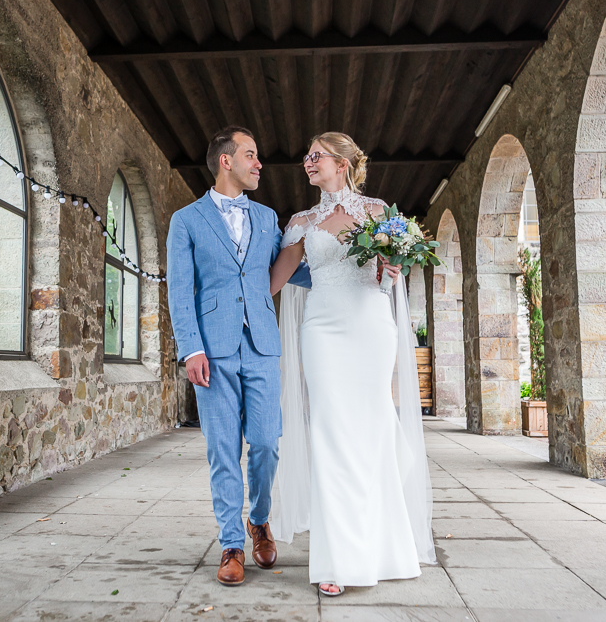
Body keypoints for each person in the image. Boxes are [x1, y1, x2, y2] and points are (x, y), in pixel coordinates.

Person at [268, 132, 435, 596]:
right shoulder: (301, 221)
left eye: (316, 155)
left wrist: (395, 269)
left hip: (370, 329)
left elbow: (390, 272)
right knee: (330, 432)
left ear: (342, 163)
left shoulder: (380, 213)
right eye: (307, 156)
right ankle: (336, 559)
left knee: (374, 429)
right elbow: (274, 282)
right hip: (322, 331)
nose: (307, 161)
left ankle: (384, 549)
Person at [166, 126, 310, 586]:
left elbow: (289, 270)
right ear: (226, 161)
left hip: (263, 345)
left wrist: (355, 265)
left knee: (267, 441)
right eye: (251, 155)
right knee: (222, 448)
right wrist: (190, 347)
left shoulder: (269, 218)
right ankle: (231, 543)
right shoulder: (186, 220)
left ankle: (259, 519)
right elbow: (179, 290)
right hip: (213, 348)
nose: (259, 163)